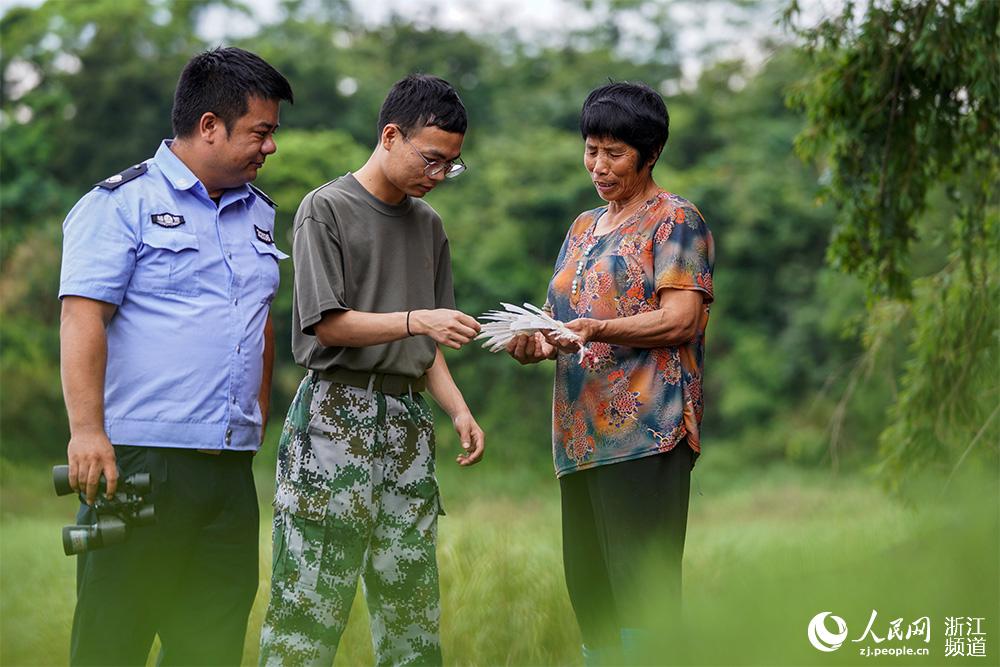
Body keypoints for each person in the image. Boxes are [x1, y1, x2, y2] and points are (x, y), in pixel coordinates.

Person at [58, 47, 293, 666]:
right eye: (260, 132)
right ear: (210, 125)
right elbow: (83, 317)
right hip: (141, 462)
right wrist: (87, 431)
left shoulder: (260, 215)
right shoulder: (119, 203)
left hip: (228, 469)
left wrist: (254, 419)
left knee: (211, 643)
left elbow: (259, 323)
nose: (270, 147)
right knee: (115, 639)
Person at [258, 74, 484, 667]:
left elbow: (427, 345)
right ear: (391, 136)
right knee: (309, 603)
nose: (438, 177)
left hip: (407, 423)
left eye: (451, 167)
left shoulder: (429, 226)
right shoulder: (325, 209)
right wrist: (417, 320)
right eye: (432, 160)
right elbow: (326, 323)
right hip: (335, 417)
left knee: (411, 607)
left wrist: (457, 410)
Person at [505, 81, 715, 665]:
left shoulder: (675, 220)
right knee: (592, 596)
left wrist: (596, 328)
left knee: (642, 598)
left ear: (649, 155)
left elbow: (680, 319)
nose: (598, 165)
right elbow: (562, 322)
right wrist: (536, 342)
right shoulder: (582, 227)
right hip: (579, 440)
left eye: (614, 153)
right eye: (591, 150)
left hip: (646, 435)